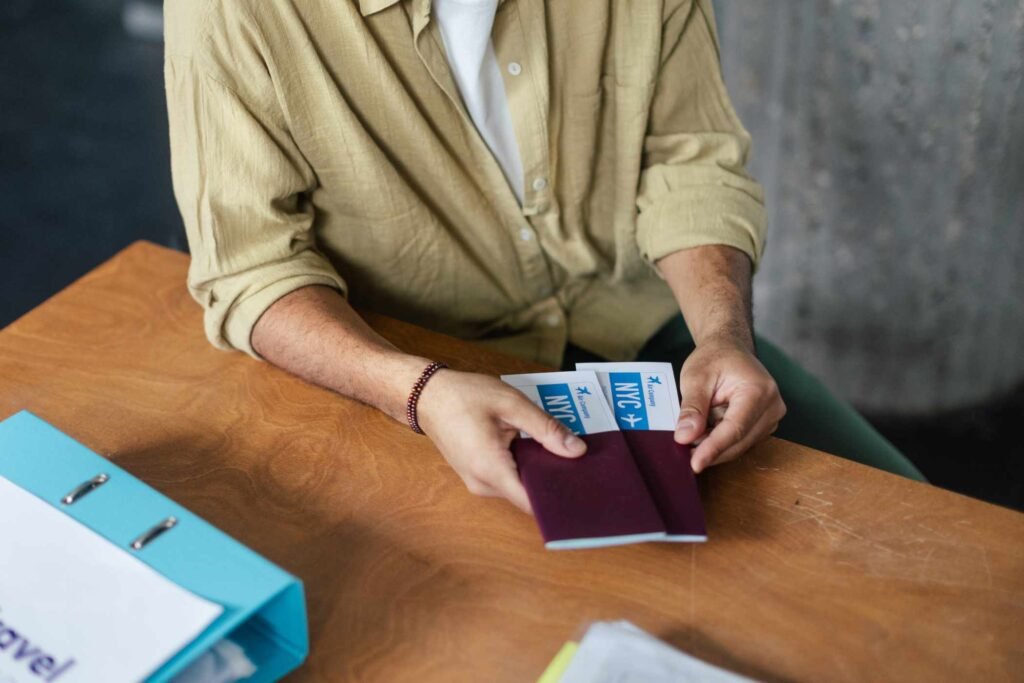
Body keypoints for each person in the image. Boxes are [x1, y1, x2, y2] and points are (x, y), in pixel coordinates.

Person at [164, 0, 924, 515]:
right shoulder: (231, 12)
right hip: (411, 365)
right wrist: (420, 391)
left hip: (642, 321)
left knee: (924, 529)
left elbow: (690, 159)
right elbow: (252, 269)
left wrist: (722, 334)